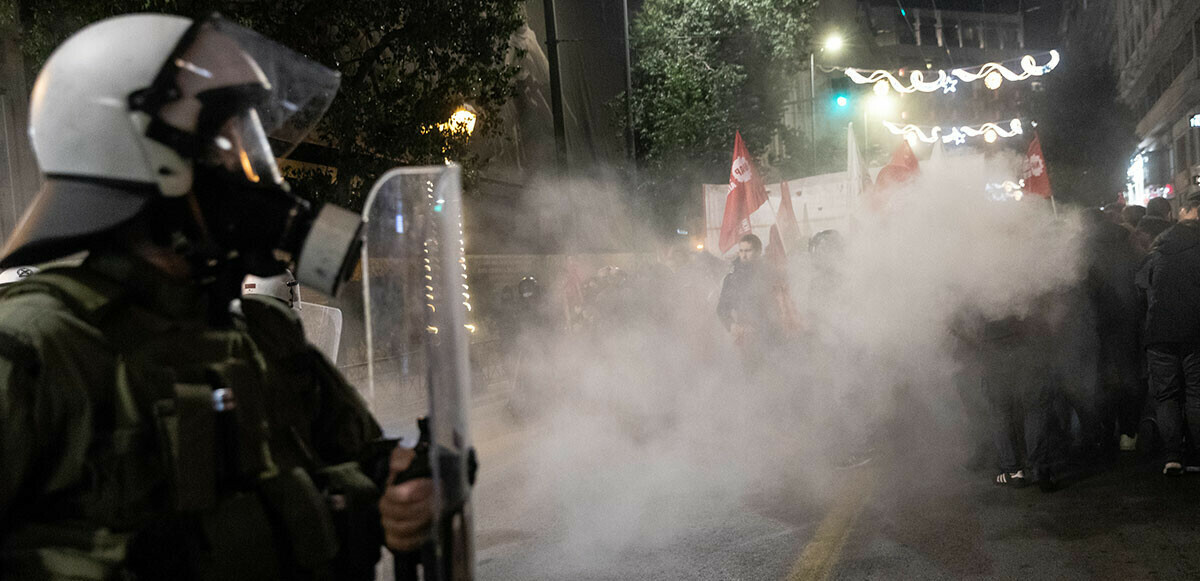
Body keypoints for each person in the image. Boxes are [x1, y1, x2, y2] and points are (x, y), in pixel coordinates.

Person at [0, 14, 431, 579]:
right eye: (227, 142)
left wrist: (403, 489)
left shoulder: (261, 334)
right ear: (141, 158)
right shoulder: (37, 348)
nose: (253, 171)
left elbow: (366, 459)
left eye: (252, 144)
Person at [1135, 191, 1200, 476]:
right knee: (1196, 394)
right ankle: (1197, 455)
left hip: (1159, 334)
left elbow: (1140, 286)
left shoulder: (1158, 250)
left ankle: (1172, 456)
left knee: (1166, 396)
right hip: (1195, 332)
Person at [717, 234, 784, 370]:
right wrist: (731, 325)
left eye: (748, 251)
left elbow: (781, 305)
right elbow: (722, 308)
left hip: (772, 337)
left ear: (758, 252)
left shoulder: (770, 274)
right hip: (746, 340)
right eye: (741, 251)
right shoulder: (732, 279)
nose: (744, 255)